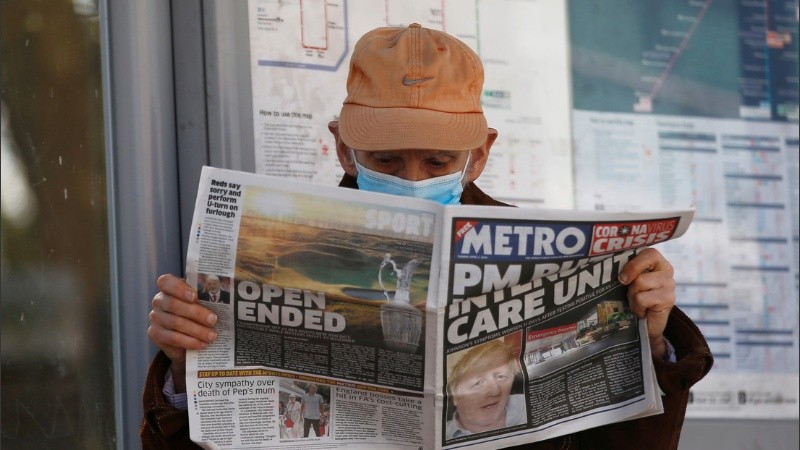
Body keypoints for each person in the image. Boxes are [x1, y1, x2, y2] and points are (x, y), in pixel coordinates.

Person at [142, 23, 713, 449]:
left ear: (480, 155)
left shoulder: (555, 259)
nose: (412, 179)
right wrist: (182, 373)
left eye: (438, 159)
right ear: (344, 147)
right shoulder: (264, 255)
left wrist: (652, 343)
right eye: (386, 159)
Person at [445, 339, 526, 440]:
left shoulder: (527, 403)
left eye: (500, 377)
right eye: (477, 383)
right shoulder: (442, 435)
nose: (495, 391)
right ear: (455, 395)